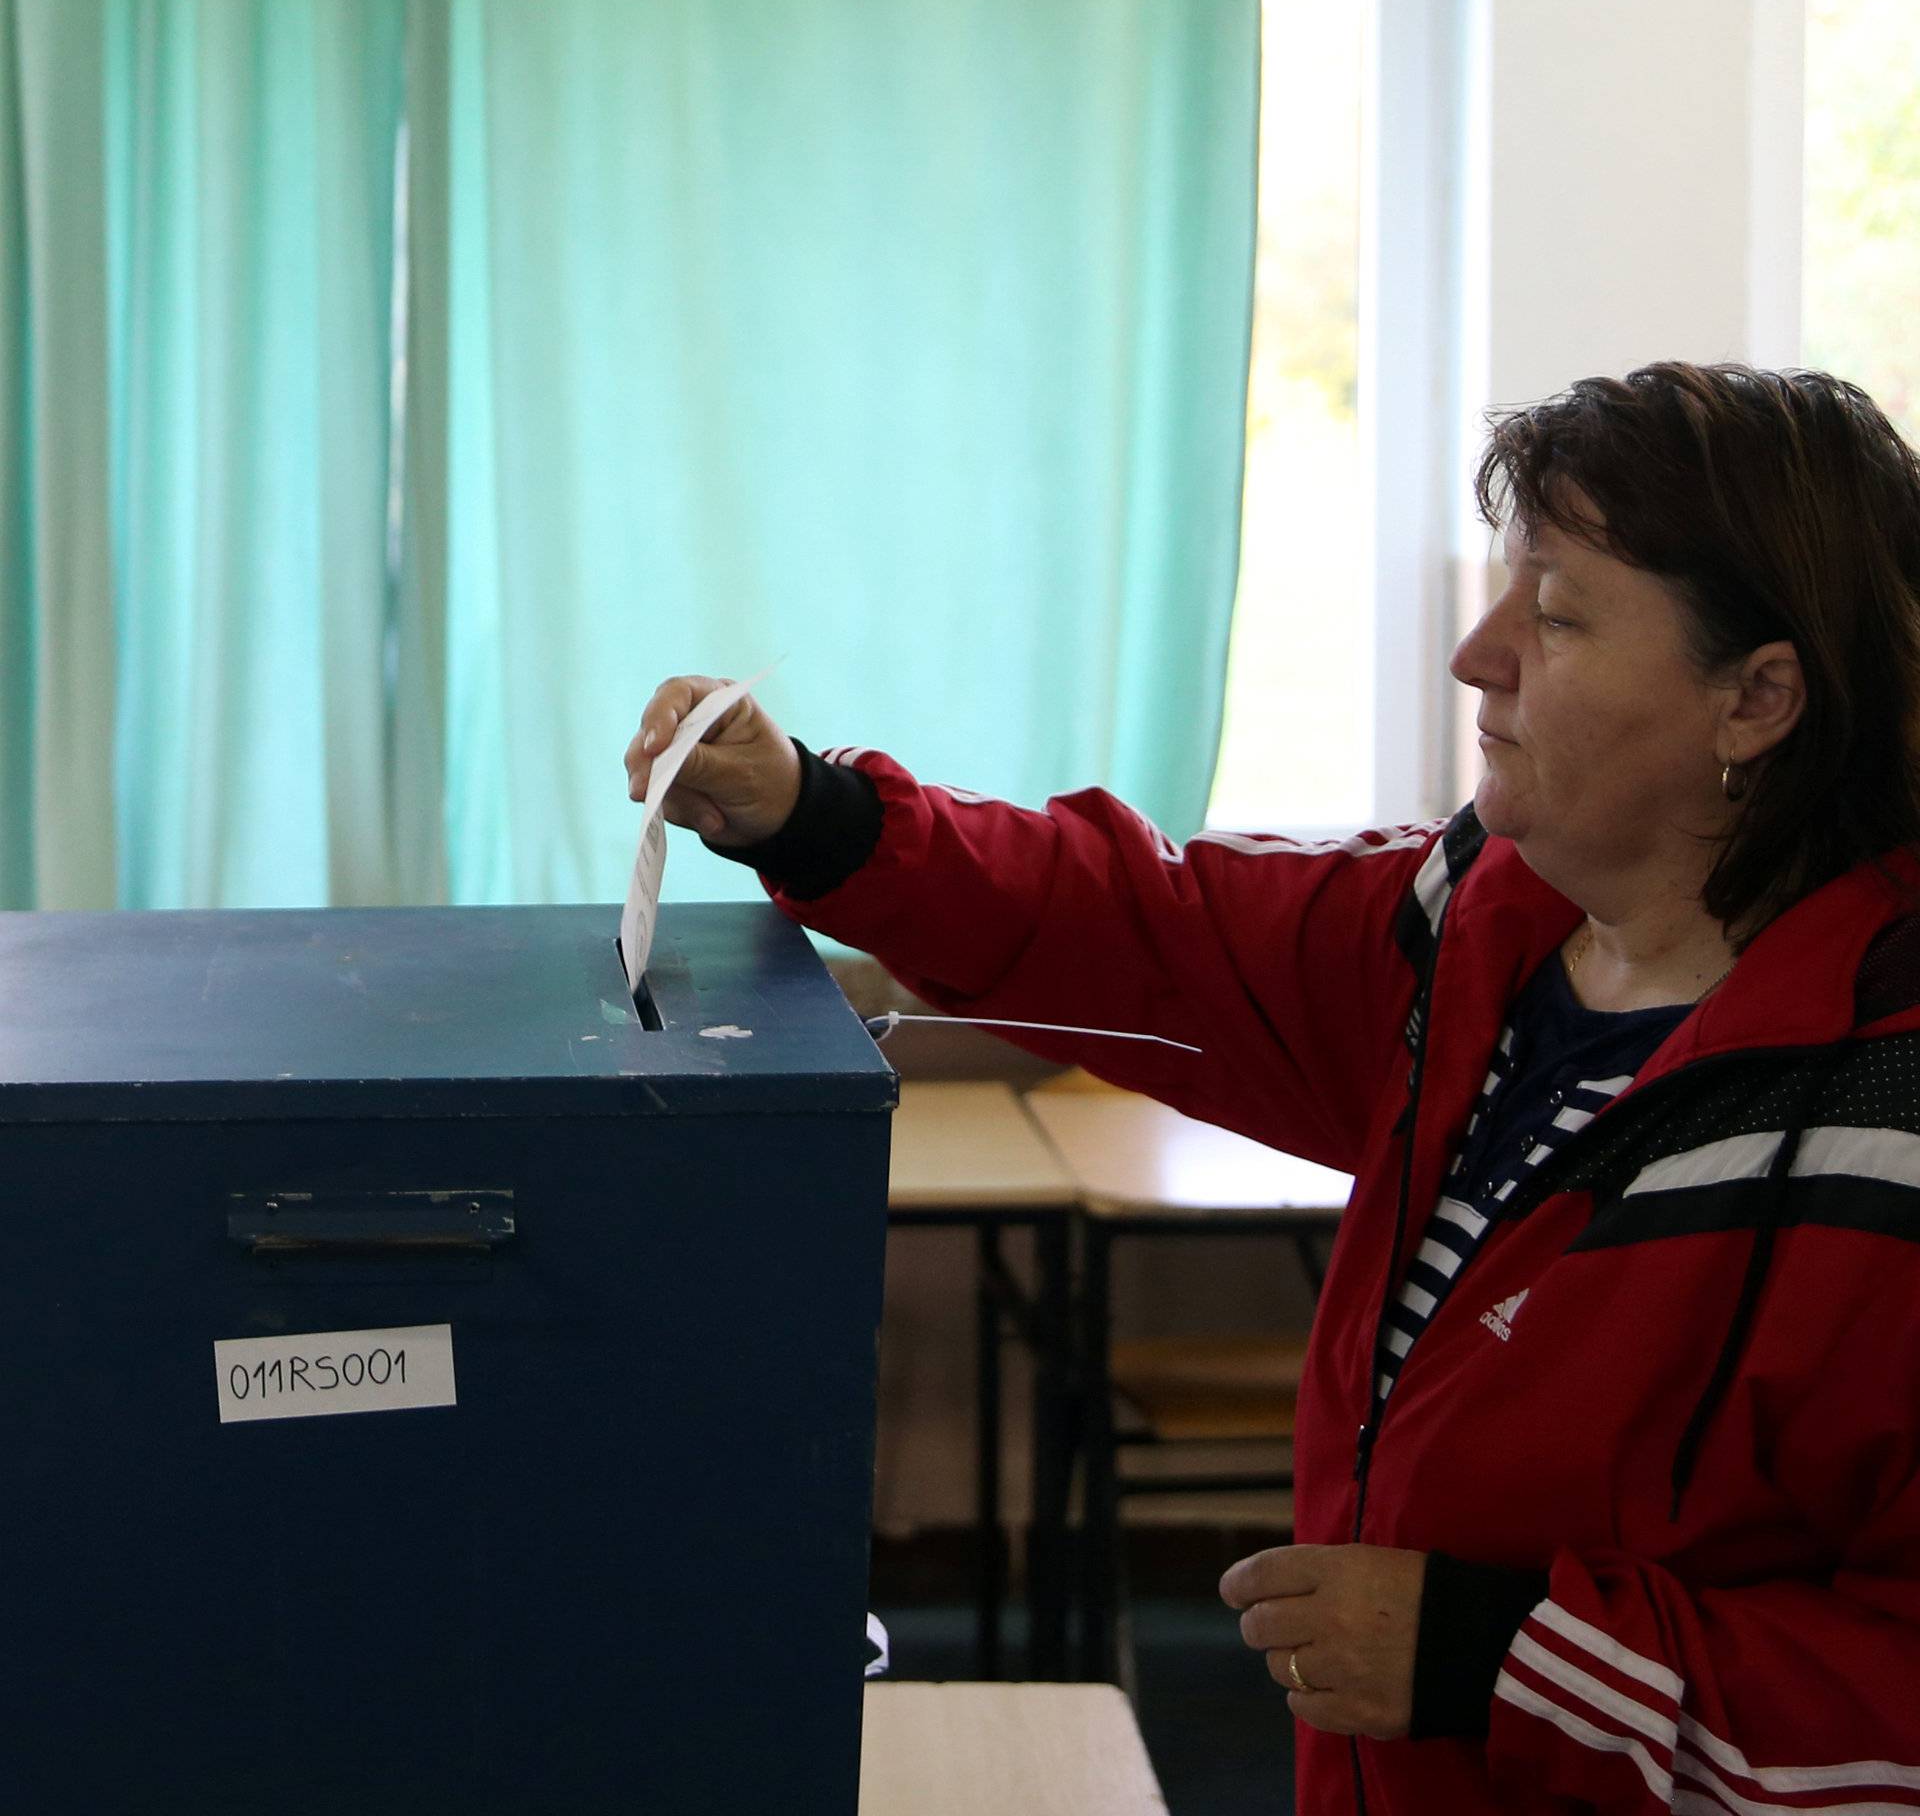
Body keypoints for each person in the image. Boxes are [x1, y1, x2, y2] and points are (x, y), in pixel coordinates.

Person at [626, 362, 1920, 1816]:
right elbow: (1149, 928)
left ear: (1758, 699)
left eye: (1556, 616)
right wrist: (821, 810)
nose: (1478, 653)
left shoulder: (1882, 1115)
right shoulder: (1481, 928)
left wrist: (1503, 1658)